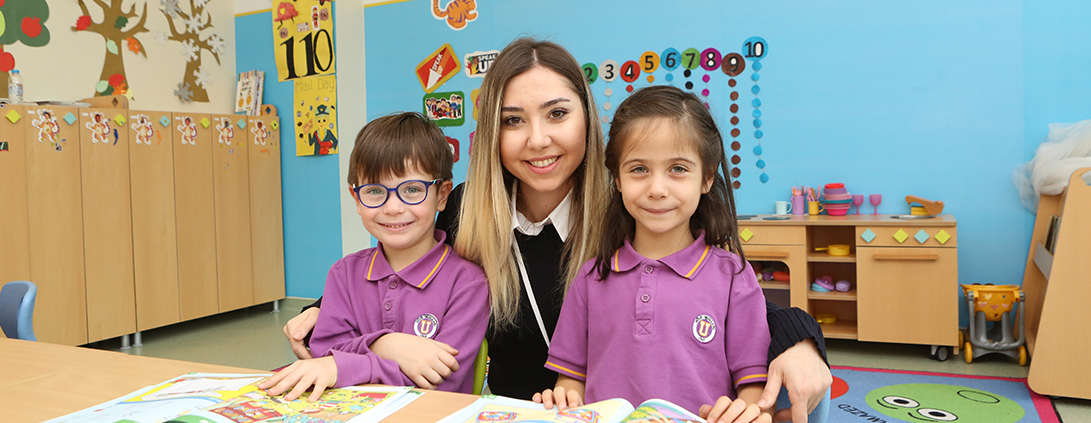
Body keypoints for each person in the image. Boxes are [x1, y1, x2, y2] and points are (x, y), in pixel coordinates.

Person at [284, 38, 831, 423]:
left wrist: (801, 340)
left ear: (587, 118)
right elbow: (397, 256)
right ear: (491, 133)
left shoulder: (632, 205)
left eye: (557, 114)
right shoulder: (467, 210)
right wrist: (320, 307)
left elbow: (721, 288)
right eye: (513, 120)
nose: (537, 139)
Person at [535, 85, 772, 422]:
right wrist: (564, 398)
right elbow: (571, 378)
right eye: (639, 169)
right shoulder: (591, 278)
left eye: (678, 169)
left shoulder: (733, 277)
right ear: (617, 179)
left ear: (706, 178)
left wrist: (745, 412)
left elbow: (754, 385)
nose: (657, 189)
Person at [260, 112, 489, 401]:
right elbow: (324, 353)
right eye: (375, 191)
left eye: (412, 190)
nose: (393, 208)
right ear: (356, 198)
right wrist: (384, 345)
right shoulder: (344, 273)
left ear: (442, 195)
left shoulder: (468, 283)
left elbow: (438, 381)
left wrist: (346, 365)